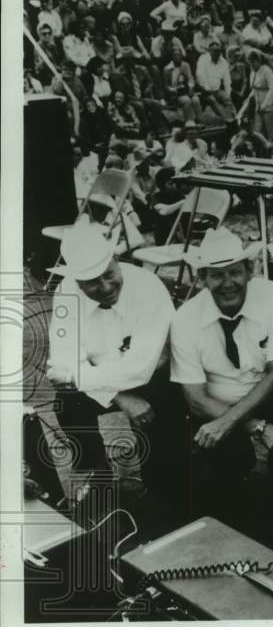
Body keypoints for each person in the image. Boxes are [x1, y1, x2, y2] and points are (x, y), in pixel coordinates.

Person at [45, 218, 185, 514]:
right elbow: (64, 360)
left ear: (117, 259)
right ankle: (97, 474)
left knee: (167, 482)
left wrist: (73, 374)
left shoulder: (148, 287)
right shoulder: (66, 293)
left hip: (155, 375)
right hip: (101, 381)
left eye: (109, 274)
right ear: (76, 281)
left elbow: (140, 369)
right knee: (67, 402)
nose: (106, 287)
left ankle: (165, 474)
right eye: (92, 282)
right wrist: (119, 396)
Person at [169, 228, 273, 525]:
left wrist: (243, 424)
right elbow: (195, 399)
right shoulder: (185, 319)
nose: (228, 283)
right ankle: (234, 523)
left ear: (250, 271)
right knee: (222, 467)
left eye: (235, 272)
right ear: (201, 278)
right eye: (216, 275)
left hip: (271, 394)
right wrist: (255, 427)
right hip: (216, 407)